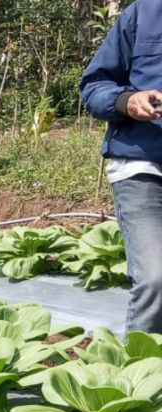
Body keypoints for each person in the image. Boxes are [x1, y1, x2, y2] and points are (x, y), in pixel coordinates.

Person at [80, 0, 162, 334]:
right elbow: (93, 86)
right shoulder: (142, 15)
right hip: (142, 165)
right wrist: (126, 102)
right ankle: (140, 379)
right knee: (156, 278)